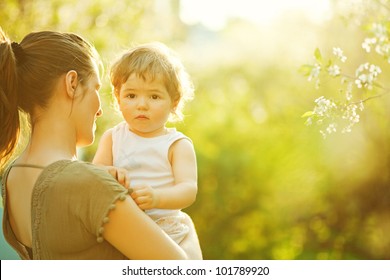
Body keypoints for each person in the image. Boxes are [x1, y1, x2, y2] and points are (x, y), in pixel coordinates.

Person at [0, 28, 202, 260]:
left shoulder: (12, 177)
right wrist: (188, 234)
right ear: (72, 83)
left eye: (154, 96)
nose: (100, 110)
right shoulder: (90, 185)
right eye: (96, 89)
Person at [93, 42, 197, 245]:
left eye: (154, 96)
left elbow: (188, 190)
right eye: (131, 95)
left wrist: (157, 198)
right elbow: (94, 174)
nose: (142, 105)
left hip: (164, 230)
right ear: (118, 98)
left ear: (173, 102)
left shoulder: (176, 145)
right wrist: (109, 172)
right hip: (120, 226)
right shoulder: (112, 138)